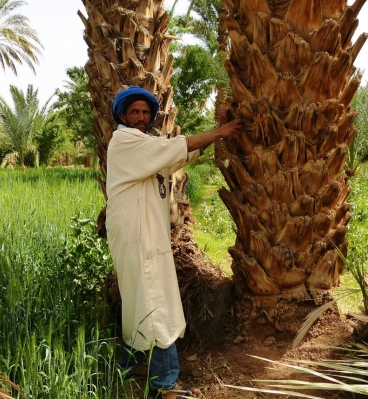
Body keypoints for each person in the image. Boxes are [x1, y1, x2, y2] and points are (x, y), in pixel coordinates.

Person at [106, 86, 243, 399]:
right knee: (155, 304)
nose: (141, 117)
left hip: (142, 236)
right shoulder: (125, 141)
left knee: (140, 299)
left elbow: (184, 153)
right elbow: (177, 147)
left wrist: (217, 132)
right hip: (137, 236)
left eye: (145, 112)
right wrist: (221, 130)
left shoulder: (147, 147)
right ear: (124, 116)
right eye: (135, 112)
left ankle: (128, 367)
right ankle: (165, 386)